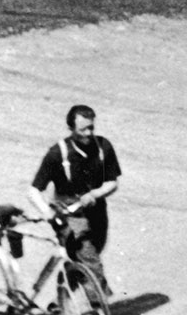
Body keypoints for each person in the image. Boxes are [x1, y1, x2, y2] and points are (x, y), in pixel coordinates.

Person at [28, 104, 120, 291]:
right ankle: (97, 304)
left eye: (91, 128)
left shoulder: (103, 147)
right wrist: (47, 211)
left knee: (91, 253)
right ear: (71, 129)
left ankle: (65, 298)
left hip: (96, 211)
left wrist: (94, 194)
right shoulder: (57, 154)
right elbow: (33, 190)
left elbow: (112, 182)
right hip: (68, 213)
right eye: (82, 130)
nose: (88, 134)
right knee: (89, 257)